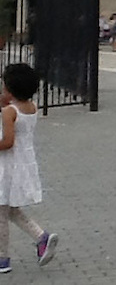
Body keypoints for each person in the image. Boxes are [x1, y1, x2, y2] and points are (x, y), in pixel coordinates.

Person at [0, 64, 58, 272]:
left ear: (10, 89)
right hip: (23, 163)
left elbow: (7, 141)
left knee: (1, 213)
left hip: (7, 166)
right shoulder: (30, 107)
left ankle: (3, 258)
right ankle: (41, 237)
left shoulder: (9, 111)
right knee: (11, 210)